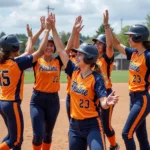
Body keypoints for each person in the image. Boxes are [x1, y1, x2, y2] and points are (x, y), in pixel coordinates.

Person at [49, 13, 119, 150]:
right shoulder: (74, 71)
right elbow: (61, 50)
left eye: (80, 54)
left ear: (88, 59)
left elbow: (103, 101)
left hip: (92, 125)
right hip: (75, 127)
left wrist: (106, 103)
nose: (76, 56)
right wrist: (53, 28)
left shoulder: (96, 79)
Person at [0, 16, 51, 150]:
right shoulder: (17, 64)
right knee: (16, 139)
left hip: (2, 102)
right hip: (11, 104)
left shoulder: (5, 62)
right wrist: (47, 30)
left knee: (13, 137)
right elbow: (39, 52)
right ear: (14, 47)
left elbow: (28, 52)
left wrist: (38, 31)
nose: (20, 46)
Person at [112, 20, 150, 149]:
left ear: (138, 37)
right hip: (133, 98)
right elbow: (116, 44)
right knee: (141, 134)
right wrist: (107, 26)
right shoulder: (133, 53)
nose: (128, 39)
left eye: (130, 36)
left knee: (126, 133)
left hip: (142, 99)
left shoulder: (148, 56)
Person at [29, 17, 63, 150]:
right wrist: (44, 30)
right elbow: (30, 46)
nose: (49, 47)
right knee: (38, 135)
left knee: (48, 134)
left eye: (51, 45)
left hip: (53, 100)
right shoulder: (36, 60)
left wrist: (53, 29)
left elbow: (66, 47)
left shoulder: (58, 61)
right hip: (38, 100)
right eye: (47, 45)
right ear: (42, 47)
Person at [92, 10, 119, 150]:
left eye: (99, 43)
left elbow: (110, 45)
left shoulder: (106, 58)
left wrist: (106, 25)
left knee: (106, 125)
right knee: (97, 125)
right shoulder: (92, 59)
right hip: (95, 92)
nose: (97, 45)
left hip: (107, 93)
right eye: (96, 43)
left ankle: (114, 145)